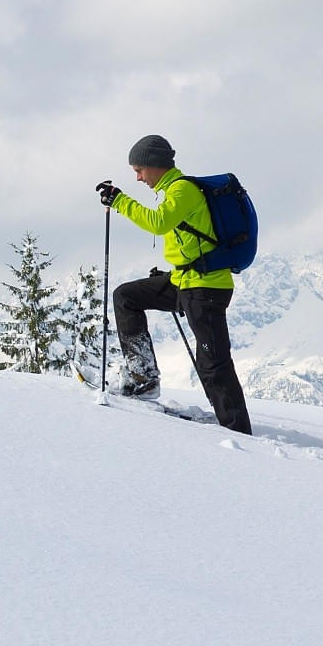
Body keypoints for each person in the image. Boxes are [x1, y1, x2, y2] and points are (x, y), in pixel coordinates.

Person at [95, 134, 252, 434]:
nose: (138, 177)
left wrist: (120, 201)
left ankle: (237, 431)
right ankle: (143, 378)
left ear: (155, 165)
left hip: (206, 289)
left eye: (139, 170)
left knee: (213, 363)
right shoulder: (173, 192)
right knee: (126, 296)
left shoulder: (183, 190)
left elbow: (159, 223)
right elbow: (188, 240)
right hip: (185, 281)